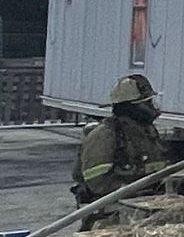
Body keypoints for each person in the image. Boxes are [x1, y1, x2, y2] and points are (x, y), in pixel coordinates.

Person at [72, 74, 170, 207]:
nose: (153, 107)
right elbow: (97, 182)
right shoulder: (104, 135)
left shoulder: (146, 131)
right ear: (131, 107)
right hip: (111, 209)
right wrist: (133, 192)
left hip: (145, 202)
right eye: (147, 103)